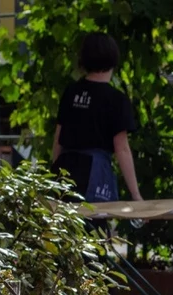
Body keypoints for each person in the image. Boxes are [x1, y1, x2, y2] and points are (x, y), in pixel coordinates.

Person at [51, 32, 143, 204]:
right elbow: (122, 148)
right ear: (113, 59)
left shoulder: (71, 92)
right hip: (94, 172)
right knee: (94, 227)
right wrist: (135, 194)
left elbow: (58, 139)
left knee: (61, 226)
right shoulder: (116, 99)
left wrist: (52, 175)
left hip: (64, 170)